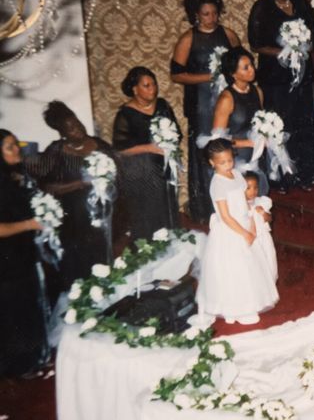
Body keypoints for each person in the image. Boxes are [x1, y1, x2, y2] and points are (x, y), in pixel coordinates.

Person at [247, 0, 314, 192]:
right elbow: (255, 44)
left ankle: (306, 174)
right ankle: (283, 178)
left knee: (303, 121)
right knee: (282, 123)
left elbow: (312, 34)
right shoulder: (261, 8)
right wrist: (284, 52)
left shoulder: (300, 2)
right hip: (276, 79)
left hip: (302, 75)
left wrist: (301, 47)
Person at [170, 0, 240, 224]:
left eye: (214, 13)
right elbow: (176, 75)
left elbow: (240, 65)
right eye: (206, 14)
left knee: (228, 146)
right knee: (206, 150)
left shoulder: (228, 34)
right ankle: (207, 208)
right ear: (196, 15)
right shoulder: (188, 39)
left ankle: (233, 202)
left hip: (226, 100)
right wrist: (209, 76)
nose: (211, 18)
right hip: (201, 103)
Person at [31, 101, 116, 289]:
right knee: (82, 267)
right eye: (70, 128)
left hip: (104, 214)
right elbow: (46, 187)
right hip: (74, 220)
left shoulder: (100, 145)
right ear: (62, 133)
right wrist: (79, 184)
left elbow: (117, 173)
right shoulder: (56, 151)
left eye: (77, 123)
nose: (77, 129)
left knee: (106, 261)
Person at [195, 139, 278, 325]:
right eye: (222, 163)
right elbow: (225, 216)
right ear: (212, 163)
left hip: (244, 222)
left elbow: (244, 202)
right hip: (231, 230)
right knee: (234, 270)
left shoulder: (237, 175)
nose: (228, 165)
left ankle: (244, 306)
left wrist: (252, 224)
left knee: (249, 269)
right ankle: (235, 310)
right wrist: (244, 233)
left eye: (230, 160)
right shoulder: (217, 184)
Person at [0, 130, 51, 377]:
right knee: (15, 312)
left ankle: (32, 361)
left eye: (16, 145)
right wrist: (30, 224)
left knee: (27, 307)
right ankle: (19, 368)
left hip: (21, 254)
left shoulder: (12, 177)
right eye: (9, 147)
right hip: (6, 261)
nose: (17, 150)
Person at [111, 67, 181, 241]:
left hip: (163, 164)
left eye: (154, 84)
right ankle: (149, 244)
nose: (153, 89)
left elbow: (177, 132)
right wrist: (149, 148)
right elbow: (120, 149)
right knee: (149, 211)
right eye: (146, 85)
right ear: (135, 89)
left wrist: (169, 143)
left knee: (167, 205)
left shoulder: (163, 105)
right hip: (140, 169)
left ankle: (169, 241)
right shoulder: (125, 114)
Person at [211, 46, 267, 194]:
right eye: (246, 68)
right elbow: (217, 141)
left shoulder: (257, 91)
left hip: (256, 154)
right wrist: (248, 143)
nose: (252, 70)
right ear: (233, 74)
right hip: (236, 159)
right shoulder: (226, 99)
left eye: (252, 65)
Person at [243, 171, 277, 282]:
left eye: (255, 188)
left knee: (267, 260)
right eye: (248, 188)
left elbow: (270, 219)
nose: (253, 191)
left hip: (263, 238)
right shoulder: (241, 205)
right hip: (251, 239)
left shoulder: (262, 202)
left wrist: (263, 213)